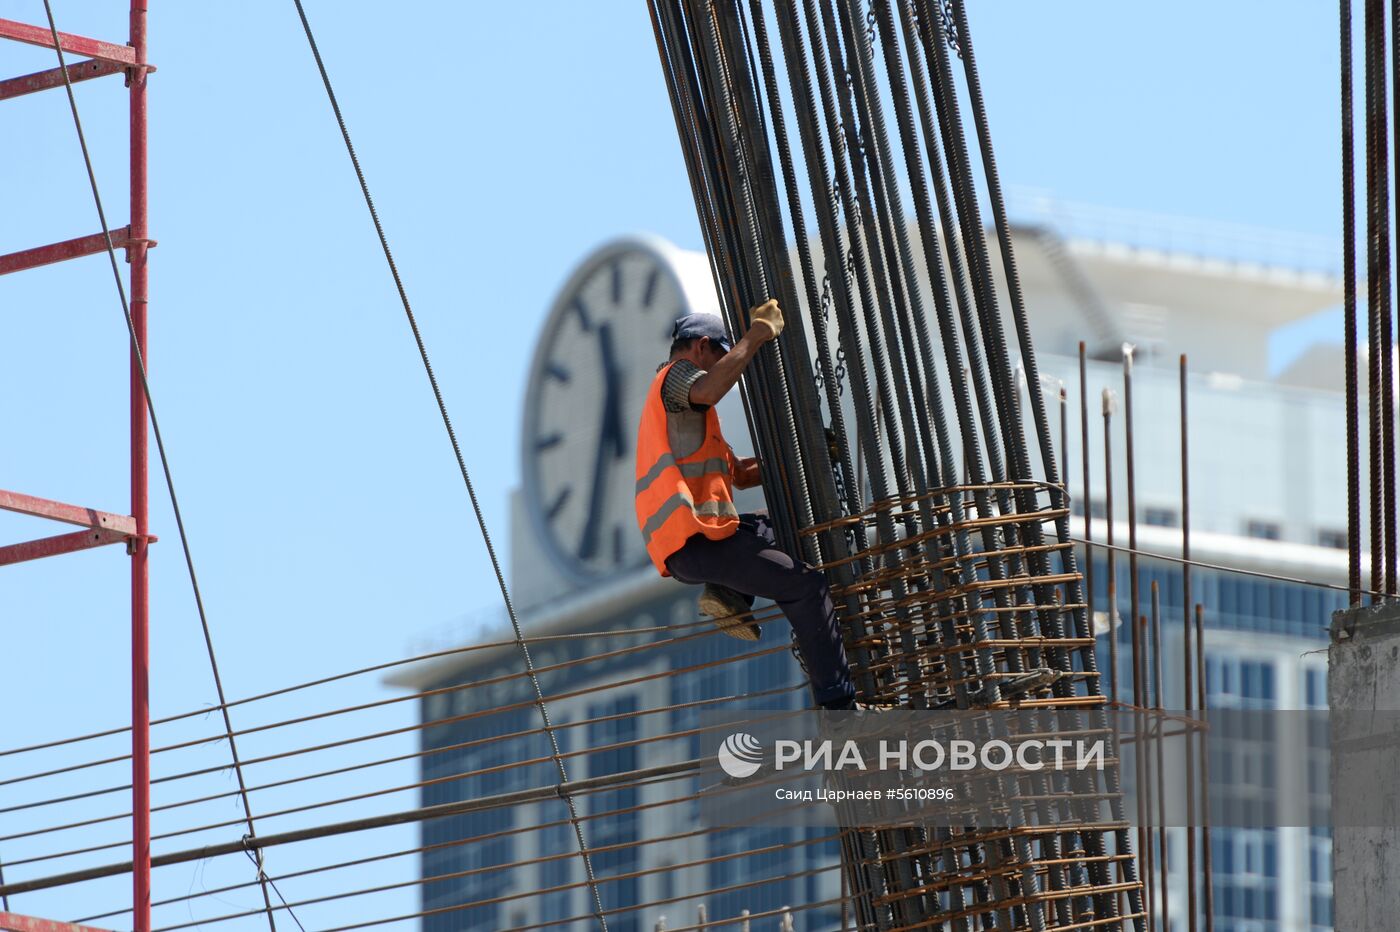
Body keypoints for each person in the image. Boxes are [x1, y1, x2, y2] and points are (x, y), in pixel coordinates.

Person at [632, 301, 860, 711]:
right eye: (721, 355)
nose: (726, 368)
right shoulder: (675, 378)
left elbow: (740, 473)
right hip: (694, 542)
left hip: (704, 540)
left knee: (785, 526)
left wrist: (809, 455)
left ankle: (727, 589)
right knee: (807, 588)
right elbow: (711, 386)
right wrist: (756, 335)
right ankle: (840, 709)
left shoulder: (693, 419)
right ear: (702, 348)